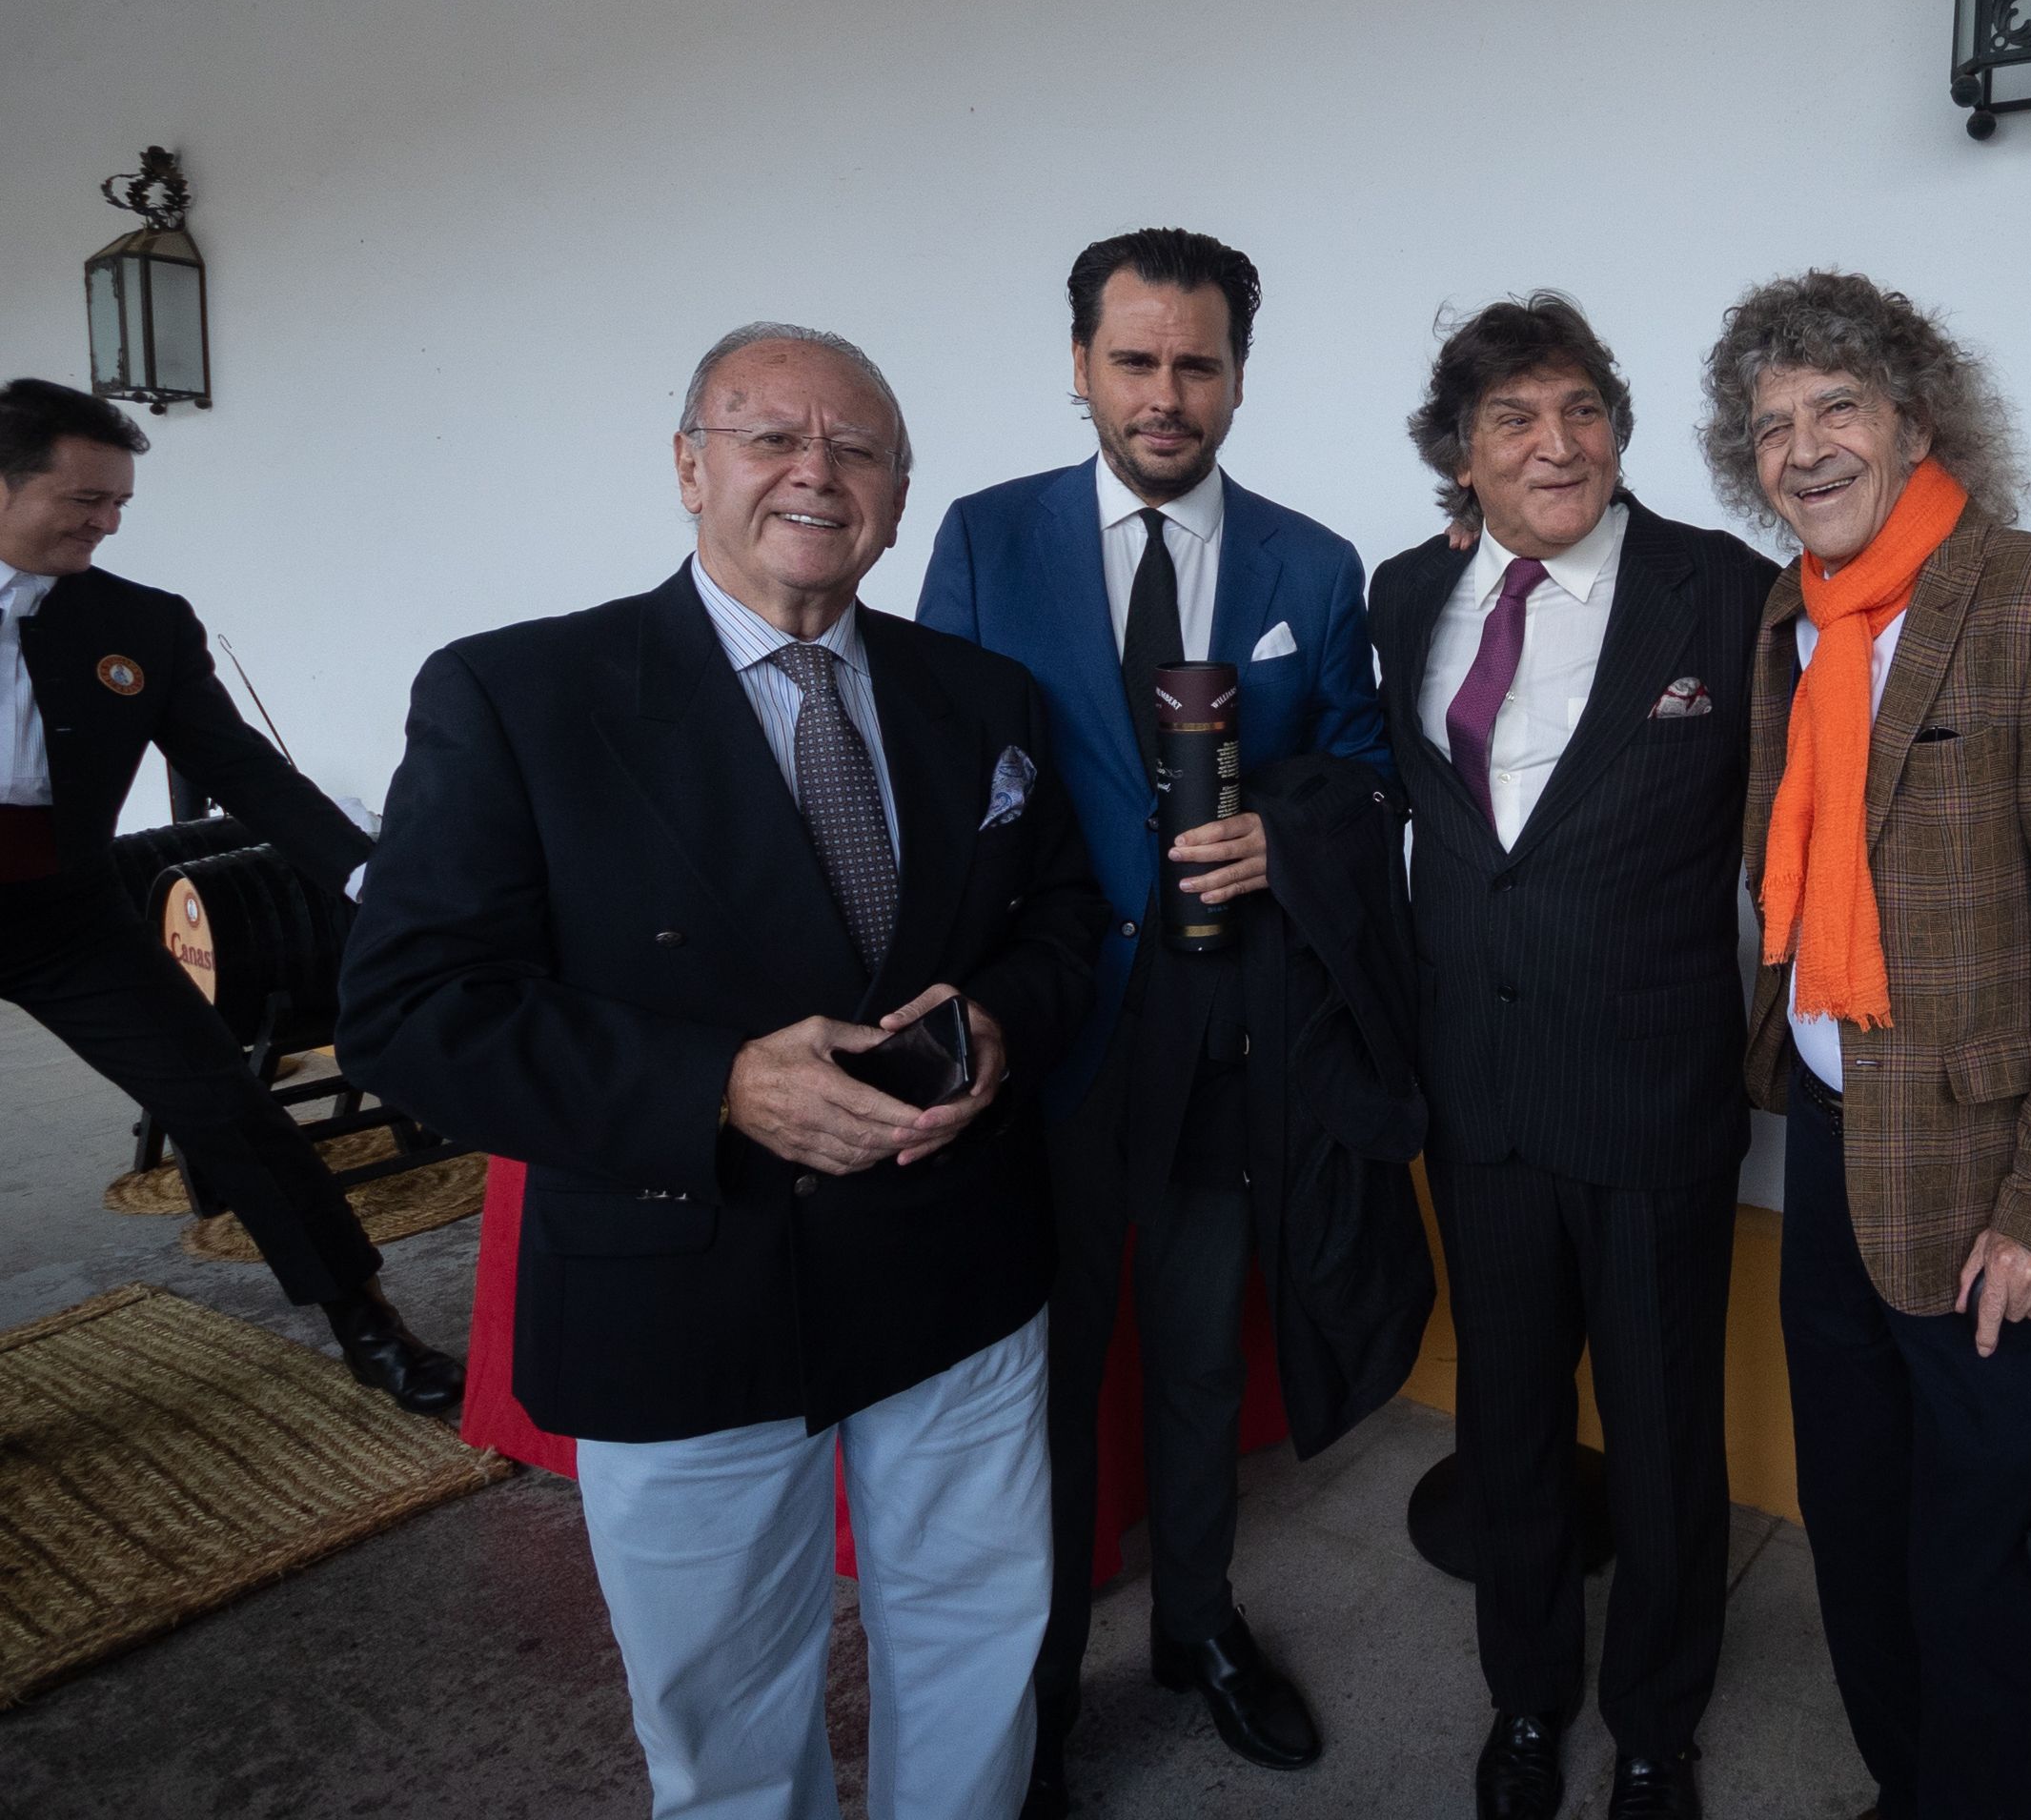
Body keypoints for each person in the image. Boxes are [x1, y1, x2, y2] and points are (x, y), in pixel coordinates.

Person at [337, 324, 1107, 1820]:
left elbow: (1068, 919)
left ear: (898, 492)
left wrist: (1008, 1017)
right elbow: (414, 1007)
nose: (817, 469)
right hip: (679, 1279)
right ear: (689, 468)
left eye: (860, 446)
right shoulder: (520, 695)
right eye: (769, 436)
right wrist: (717, 1088)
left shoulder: (984, 699)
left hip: (955, 1262)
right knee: (723, 1704)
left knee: (977, 1640)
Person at [917, 227, 1389, 1808]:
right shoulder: (985, 543)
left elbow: (1365, 769)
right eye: (1135, 360)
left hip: (1219, 1038)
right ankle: (1031, 1693)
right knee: (1037, 1397)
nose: (1165, 394)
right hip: (1044, 1038)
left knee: (1195, 1361)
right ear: (1079, 366)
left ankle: (1195, 1630)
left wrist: (1292, 834)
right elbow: (934, 783)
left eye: (1197, 363)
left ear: (1239, 375)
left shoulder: (1311, 567)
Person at [1701, 273, 2031, 1820]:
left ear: (1916, 420)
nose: (1803, 447)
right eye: (1769, 425)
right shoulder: (1793, 615)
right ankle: (1916, 1792)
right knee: (1858, 1524)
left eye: (1837, 405)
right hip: (1837, 1147)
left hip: (1993, 1183)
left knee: (1987, 1566)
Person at [1370, 296, 1776, 1820]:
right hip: (1475, 1091)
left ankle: (1658, 1724)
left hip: (1654, 1092)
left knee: (1667, 1439)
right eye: (1513, 422)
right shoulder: (1405, 595)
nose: (1557, 445)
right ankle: (1526, 1702)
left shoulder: (1723, 591)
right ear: (1460, 456)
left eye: (1582, 410)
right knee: (1509, 1425)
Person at [0, 377, 457, 1413]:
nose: (108, 522)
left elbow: (246, 773)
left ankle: (371, 1327)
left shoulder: (138, 624)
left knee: (227, 1102)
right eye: (85, 500)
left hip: (65, 912)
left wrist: (367, 878)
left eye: (119, 503)